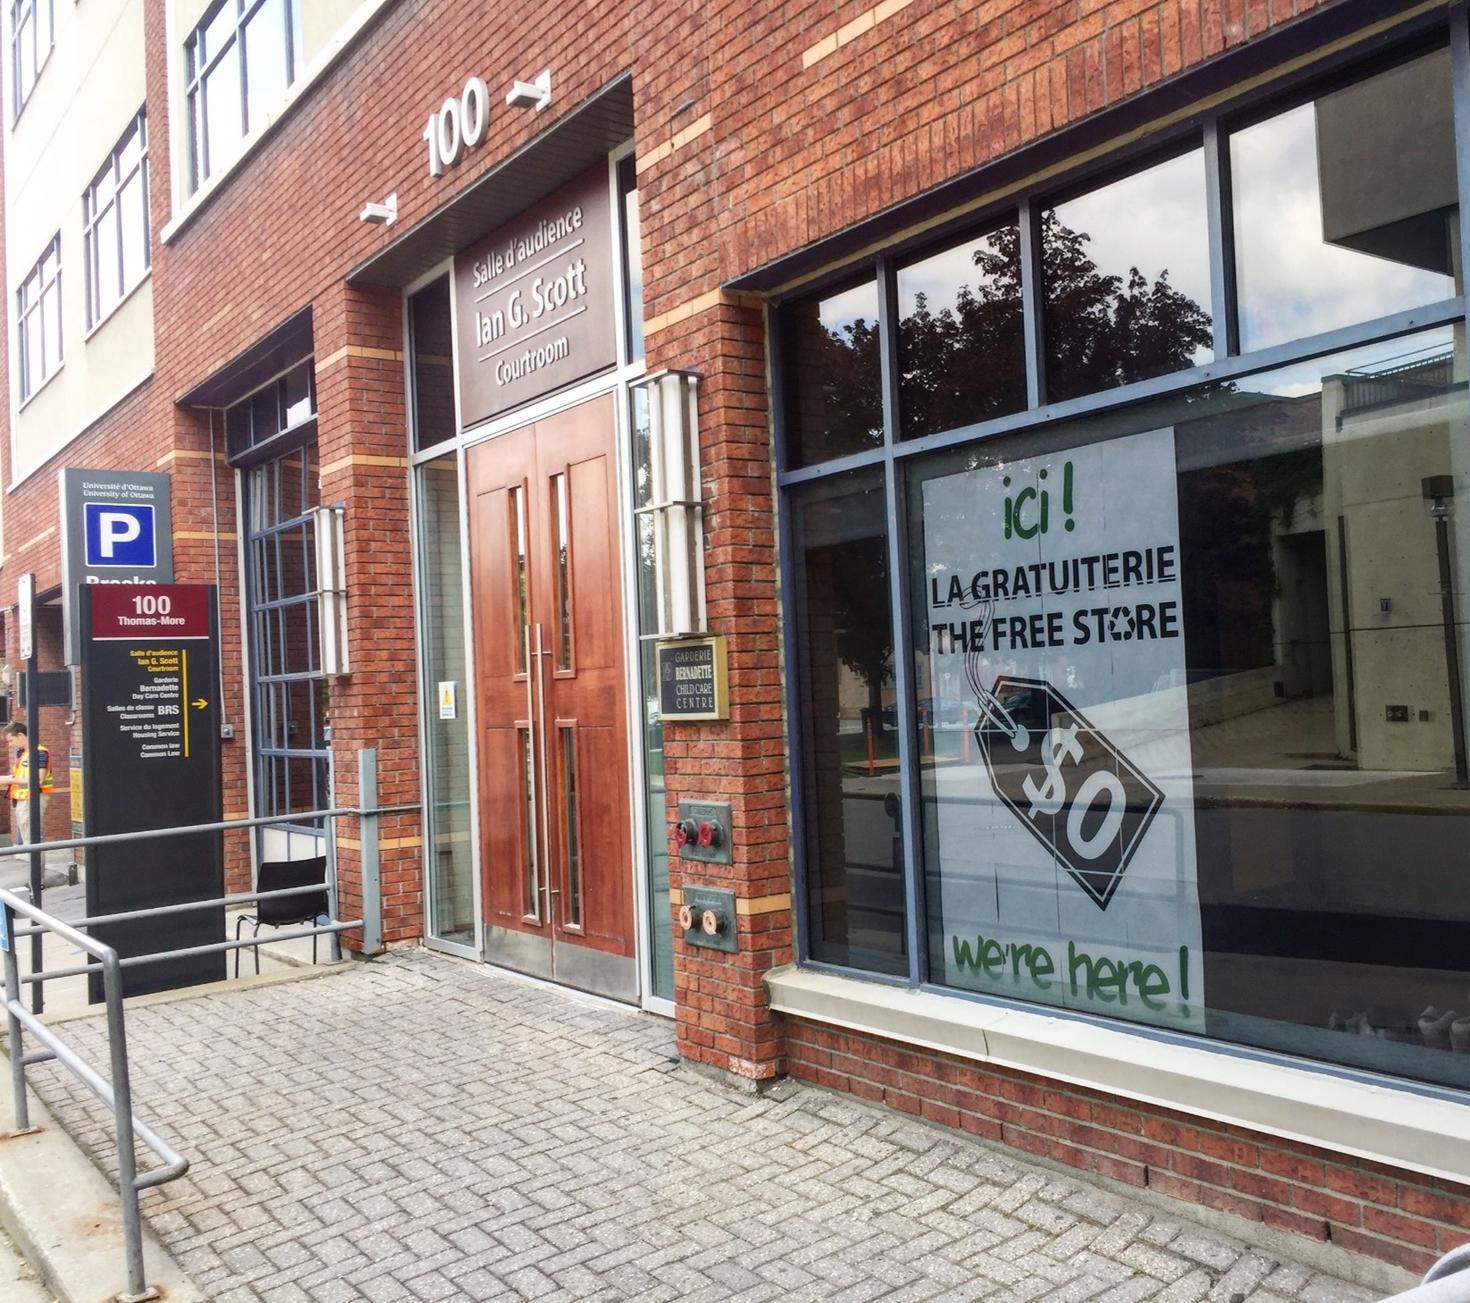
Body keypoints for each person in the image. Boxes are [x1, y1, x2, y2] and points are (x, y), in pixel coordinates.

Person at [6, 721, 52, 844]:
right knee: (28, 837)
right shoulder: (23, 754)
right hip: (25, 799)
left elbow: (38, 780)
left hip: (32, 798)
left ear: (20, 736)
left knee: (32, 838)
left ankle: (35, 858)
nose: (10, 745)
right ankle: (32, 857)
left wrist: (9, 780)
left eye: (11, 740)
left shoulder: (39, 752)